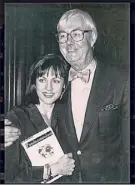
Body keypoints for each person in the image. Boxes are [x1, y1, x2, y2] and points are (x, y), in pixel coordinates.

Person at [5, 9, 129, 183]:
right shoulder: (58, 83)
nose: (69, 42)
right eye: (63, 36)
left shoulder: (121, 81)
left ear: (92, 38)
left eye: (76, 34)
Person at [5, 54, 75, 183]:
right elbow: (11, 177)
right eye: (42, 80)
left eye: (56, 81)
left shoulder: (69, 117)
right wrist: (51, 170)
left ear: (64, 85)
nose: (48, 87)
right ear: (34, 83)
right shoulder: (17, 117)